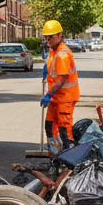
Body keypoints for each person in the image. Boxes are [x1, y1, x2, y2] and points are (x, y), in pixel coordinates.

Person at [38, 20, 79, 154]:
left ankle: (69, 157)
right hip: (56, 98)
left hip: (65, 98)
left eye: (50, 37)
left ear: (59, 35)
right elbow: (54, 70)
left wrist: (48, 94)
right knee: (49, 126)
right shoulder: (53, 50)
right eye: (46, 37)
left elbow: (62, 79)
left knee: (64, 129)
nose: (48, 40)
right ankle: (55, 154)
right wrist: (46, 68)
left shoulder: (63, 54)